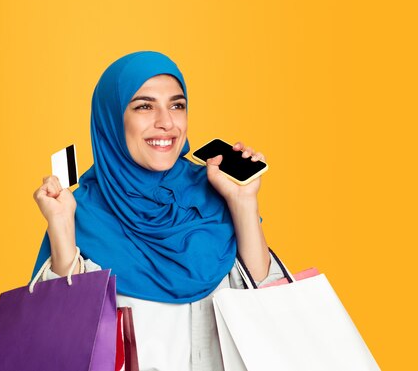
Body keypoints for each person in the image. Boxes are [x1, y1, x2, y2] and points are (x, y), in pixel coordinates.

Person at [30, 51, 285, 371]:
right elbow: (63, 342)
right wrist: (62, 228)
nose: (166, 122)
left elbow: (271, 308)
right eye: (144, 106)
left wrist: (243, 203)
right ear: (112, 119)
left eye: (177, 105)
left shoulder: (214, 192)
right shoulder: (80, 214)